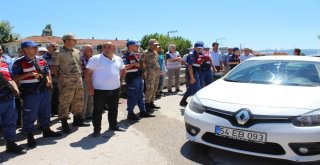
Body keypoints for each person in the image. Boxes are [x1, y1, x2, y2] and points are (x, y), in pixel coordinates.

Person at [12, 40, 62, 148]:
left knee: (45, 111)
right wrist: (29, 74)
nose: (36, 49)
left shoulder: (41, 59)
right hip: (31, 92)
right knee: (30, 114)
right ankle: (29, 134)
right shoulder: (19, 62)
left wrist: (48, 80)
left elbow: (46, 71)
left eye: (36, 47)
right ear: (25, 50)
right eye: (33, 47)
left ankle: (46, 130)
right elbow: (14, 78)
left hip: (44, 90)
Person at [85, 42, 126, 137]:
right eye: (104, 47)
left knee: (113, 109)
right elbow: (87, 73)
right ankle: (96, 130)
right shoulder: (95, 58)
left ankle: (113, 125)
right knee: (97, 110)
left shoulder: (118, 59)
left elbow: (123, 69)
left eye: (109, 47)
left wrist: (121, 80)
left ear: (114, 48)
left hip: (115, 89)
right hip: (99, 90)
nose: (106, 48)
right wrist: (90, 87)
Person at [50, 34, 89, 133]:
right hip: (65, 80)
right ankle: (64, 122)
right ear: (66, 40)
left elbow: (80, 64)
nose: (75, 41)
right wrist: (61, 77)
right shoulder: (58, 53)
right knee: (65, 101)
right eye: (72, 40)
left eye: (75, 40)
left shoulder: (77, 52)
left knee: (79, 99)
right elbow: (53, 68)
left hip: (78, 78)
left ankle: (77, 120)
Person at [0, 45, 27, 154]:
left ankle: (10, 144)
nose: (0, 52)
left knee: (10, 123)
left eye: (0, 50)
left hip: (9, 98)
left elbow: (11, 78)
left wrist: (16, 89)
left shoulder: (6, 61)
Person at [122, 40, 155, 120]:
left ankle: (142, 111)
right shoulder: (125, 56)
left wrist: (143, 71)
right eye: (136, 45)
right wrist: (133, 64)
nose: (138, 47)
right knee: (132, 96)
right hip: (132, 78)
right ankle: (130, 113)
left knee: (141, 95)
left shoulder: (135, 55)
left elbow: (139, 65)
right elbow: (124, 67)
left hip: (139, 77)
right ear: (130, 46)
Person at [180, 41, 205, 107]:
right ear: (194, 48)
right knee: (197, 88)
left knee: (191, 88)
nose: (199, 49)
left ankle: (183, 101)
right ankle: (198, 104)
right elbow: (190, 66)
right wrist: (192, 77)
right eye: (198, 48)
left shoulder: (200, 54)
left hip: (197, 71)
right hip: (192, 72)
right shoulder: (191, 55)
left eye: (201, 48)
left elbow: (199, 63)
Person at [140, 39, 161, 112]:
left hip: (156, 73)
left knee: (155, 88)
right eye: (155, 44)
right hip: (149, 73)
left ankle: (152, 103)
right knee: (150, 89)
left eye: (156, 44)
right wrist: (144, 71)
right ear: (150, 45)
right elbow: (141, 62)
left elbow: (156, 61)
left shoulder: (155, 52)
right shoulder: (145, 53)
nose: (156, 46)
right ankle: (147, 104)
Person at [42, 42, 59, 116]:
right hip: (49, 80)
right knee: (48, 99)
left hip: (59, 80)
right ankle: (47, 115)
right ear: (48, 48)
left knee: (58, 99)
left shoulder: (59, 56)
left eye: (56, 46)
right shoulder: (43, 58)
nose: (55, 47)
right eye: (53, 46)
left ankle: (58, 113)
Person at [81, 45, 94, 120]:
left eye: (92, 49)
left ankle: (89, 114)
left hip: (92, 79)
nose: (92, 50)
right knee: (84, 98)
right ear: (84, 50)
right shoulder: (81, 58)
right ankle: (82, 116)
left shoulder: (92, 59)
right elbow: (84, 71)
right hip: (84, 80)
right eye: (90, 49)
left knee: (91, 97)